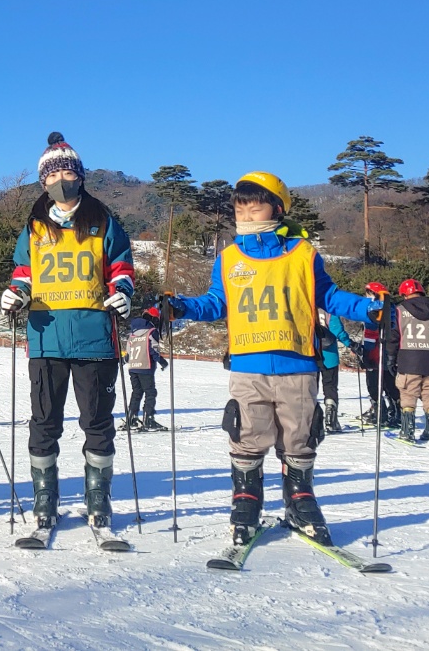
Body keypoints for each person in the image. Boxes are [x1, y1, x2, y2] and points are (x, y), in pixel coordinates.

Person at [161, 172, 378, 547]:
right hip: (249, 368)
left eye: (254, 207)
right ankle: (246, 502)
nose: (245, 215)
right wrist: (179, 306)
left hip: (298, 365)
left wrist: (369, 310)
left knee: (299, 436)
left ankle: (300, 501)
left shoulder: (303, 254)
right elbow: (216, 302)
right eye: (239, 208)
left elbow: (331, 297)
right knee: (247, 435)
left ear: (277, 209)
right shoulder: (228, 258)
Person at [0, 133, 135, 532]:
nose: (61, 179)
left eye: (67, 171)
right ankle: (45, 499)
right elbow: (23, 275)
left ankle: (98, 498)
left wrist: (123, 293)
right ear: (43, 181)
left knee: (97, 421)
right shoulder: (35, 227)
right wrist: (14, 294)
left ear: (80, 177)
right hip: (47, 338)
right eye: (53, 173)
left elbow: (121, 269)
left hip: (95, 338)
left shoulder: (103, 221)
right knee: (44, 422)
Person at [384, 279, 429, 444]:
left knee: (407, 393)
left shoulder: (400, 311)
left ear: (404, 294)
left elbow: (394, 336)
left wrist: (390, 357)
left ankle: (407, 430)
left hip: (408, 359)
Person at [359, 282, 400, 429]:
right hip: (391, 353)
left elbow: (370, 335)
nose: (366, 296)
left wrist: (365, 354)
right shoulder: (393, 309)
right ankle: (396, 412)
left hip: (375, 354)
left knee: (374, 385)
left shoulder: (374, 310)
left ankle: (380, 413)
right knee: (390, 384)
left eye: (368, 293)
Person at [124, 306, 168, 431]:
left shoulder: (132, 332)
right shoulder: (151, 331)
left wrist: (125, 360)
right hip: (145, 366)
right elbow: (152, 349)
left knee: (136, 392)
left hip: (133, 367)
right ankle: (148, 419)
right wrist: (162, 361)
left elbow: (128, 351)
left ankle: (131, 418)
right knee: (150, 392)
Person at [314, 308, 354, 433]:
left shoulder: (305, 305)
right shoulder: (328, 309)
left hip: (311, 354)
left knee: (310, 389)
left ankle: (311, 422)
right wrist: (350, 344)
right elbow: (337, 329)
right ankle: (331, 420)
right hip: (329, 354)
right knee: (330, 387)